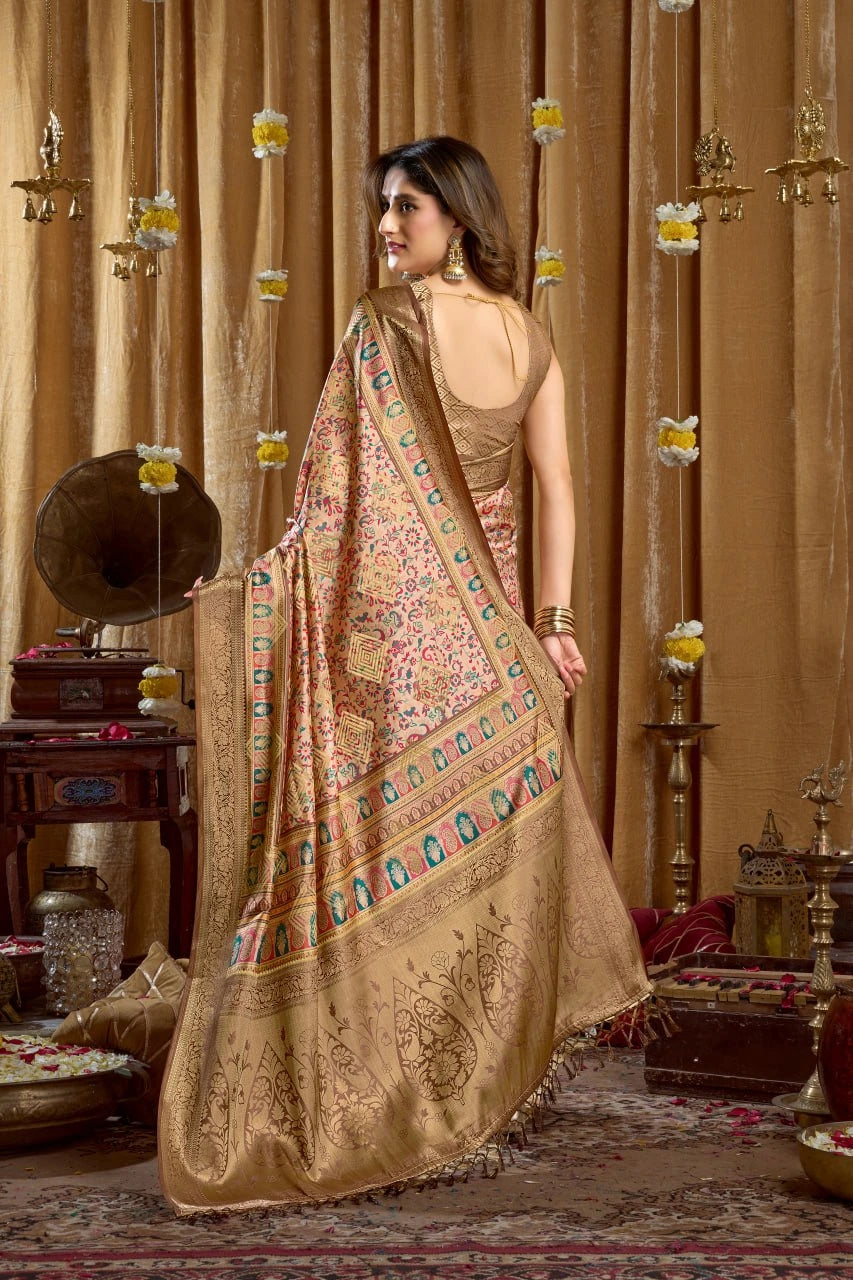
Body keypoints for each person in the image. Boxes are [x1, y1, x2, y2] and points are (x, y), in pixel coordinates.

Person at [159, 137, 649, 1215]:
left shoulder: (382, 324)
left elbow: (331, 513)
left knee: (368, 869)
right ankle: (454, 1094)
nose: (387, 228)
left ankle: (400, 1101)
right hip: (492, 660)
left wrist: (259, 589)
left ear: (458, 219)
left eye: (407, 209)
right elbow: (556, 489)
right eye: (383, 208)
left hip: (392, 661)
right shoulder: (529, 339)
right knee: (457, 887)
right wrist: (553, 627)